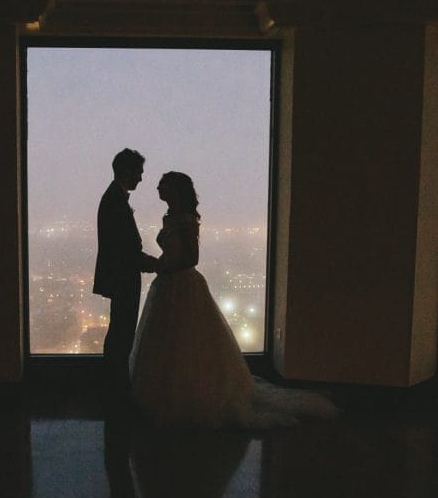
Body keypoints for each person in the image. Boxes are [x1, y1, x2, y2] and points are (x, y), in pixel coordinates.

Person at [130, 171, 339, 428]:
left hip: (178, 282)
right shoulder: (172, 217)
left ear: (174, 190)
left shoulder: (184, 220)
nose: (158, 189)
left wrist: (164, 266)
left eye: (163, 186)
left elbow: (192, 258)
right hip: (172, 282)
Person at [93, 149, 159, 396]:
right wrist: (154, 264)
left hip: (120, 277)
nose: (141, 178)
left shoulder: (114, 198)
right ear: (128, 171)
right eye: (139, 172)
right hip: (123, 279)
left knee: (119, 332)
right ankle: (117, 388)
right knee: (121, 335)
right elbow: (126, 250)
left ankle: (115, 385)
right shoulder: (116, 201)